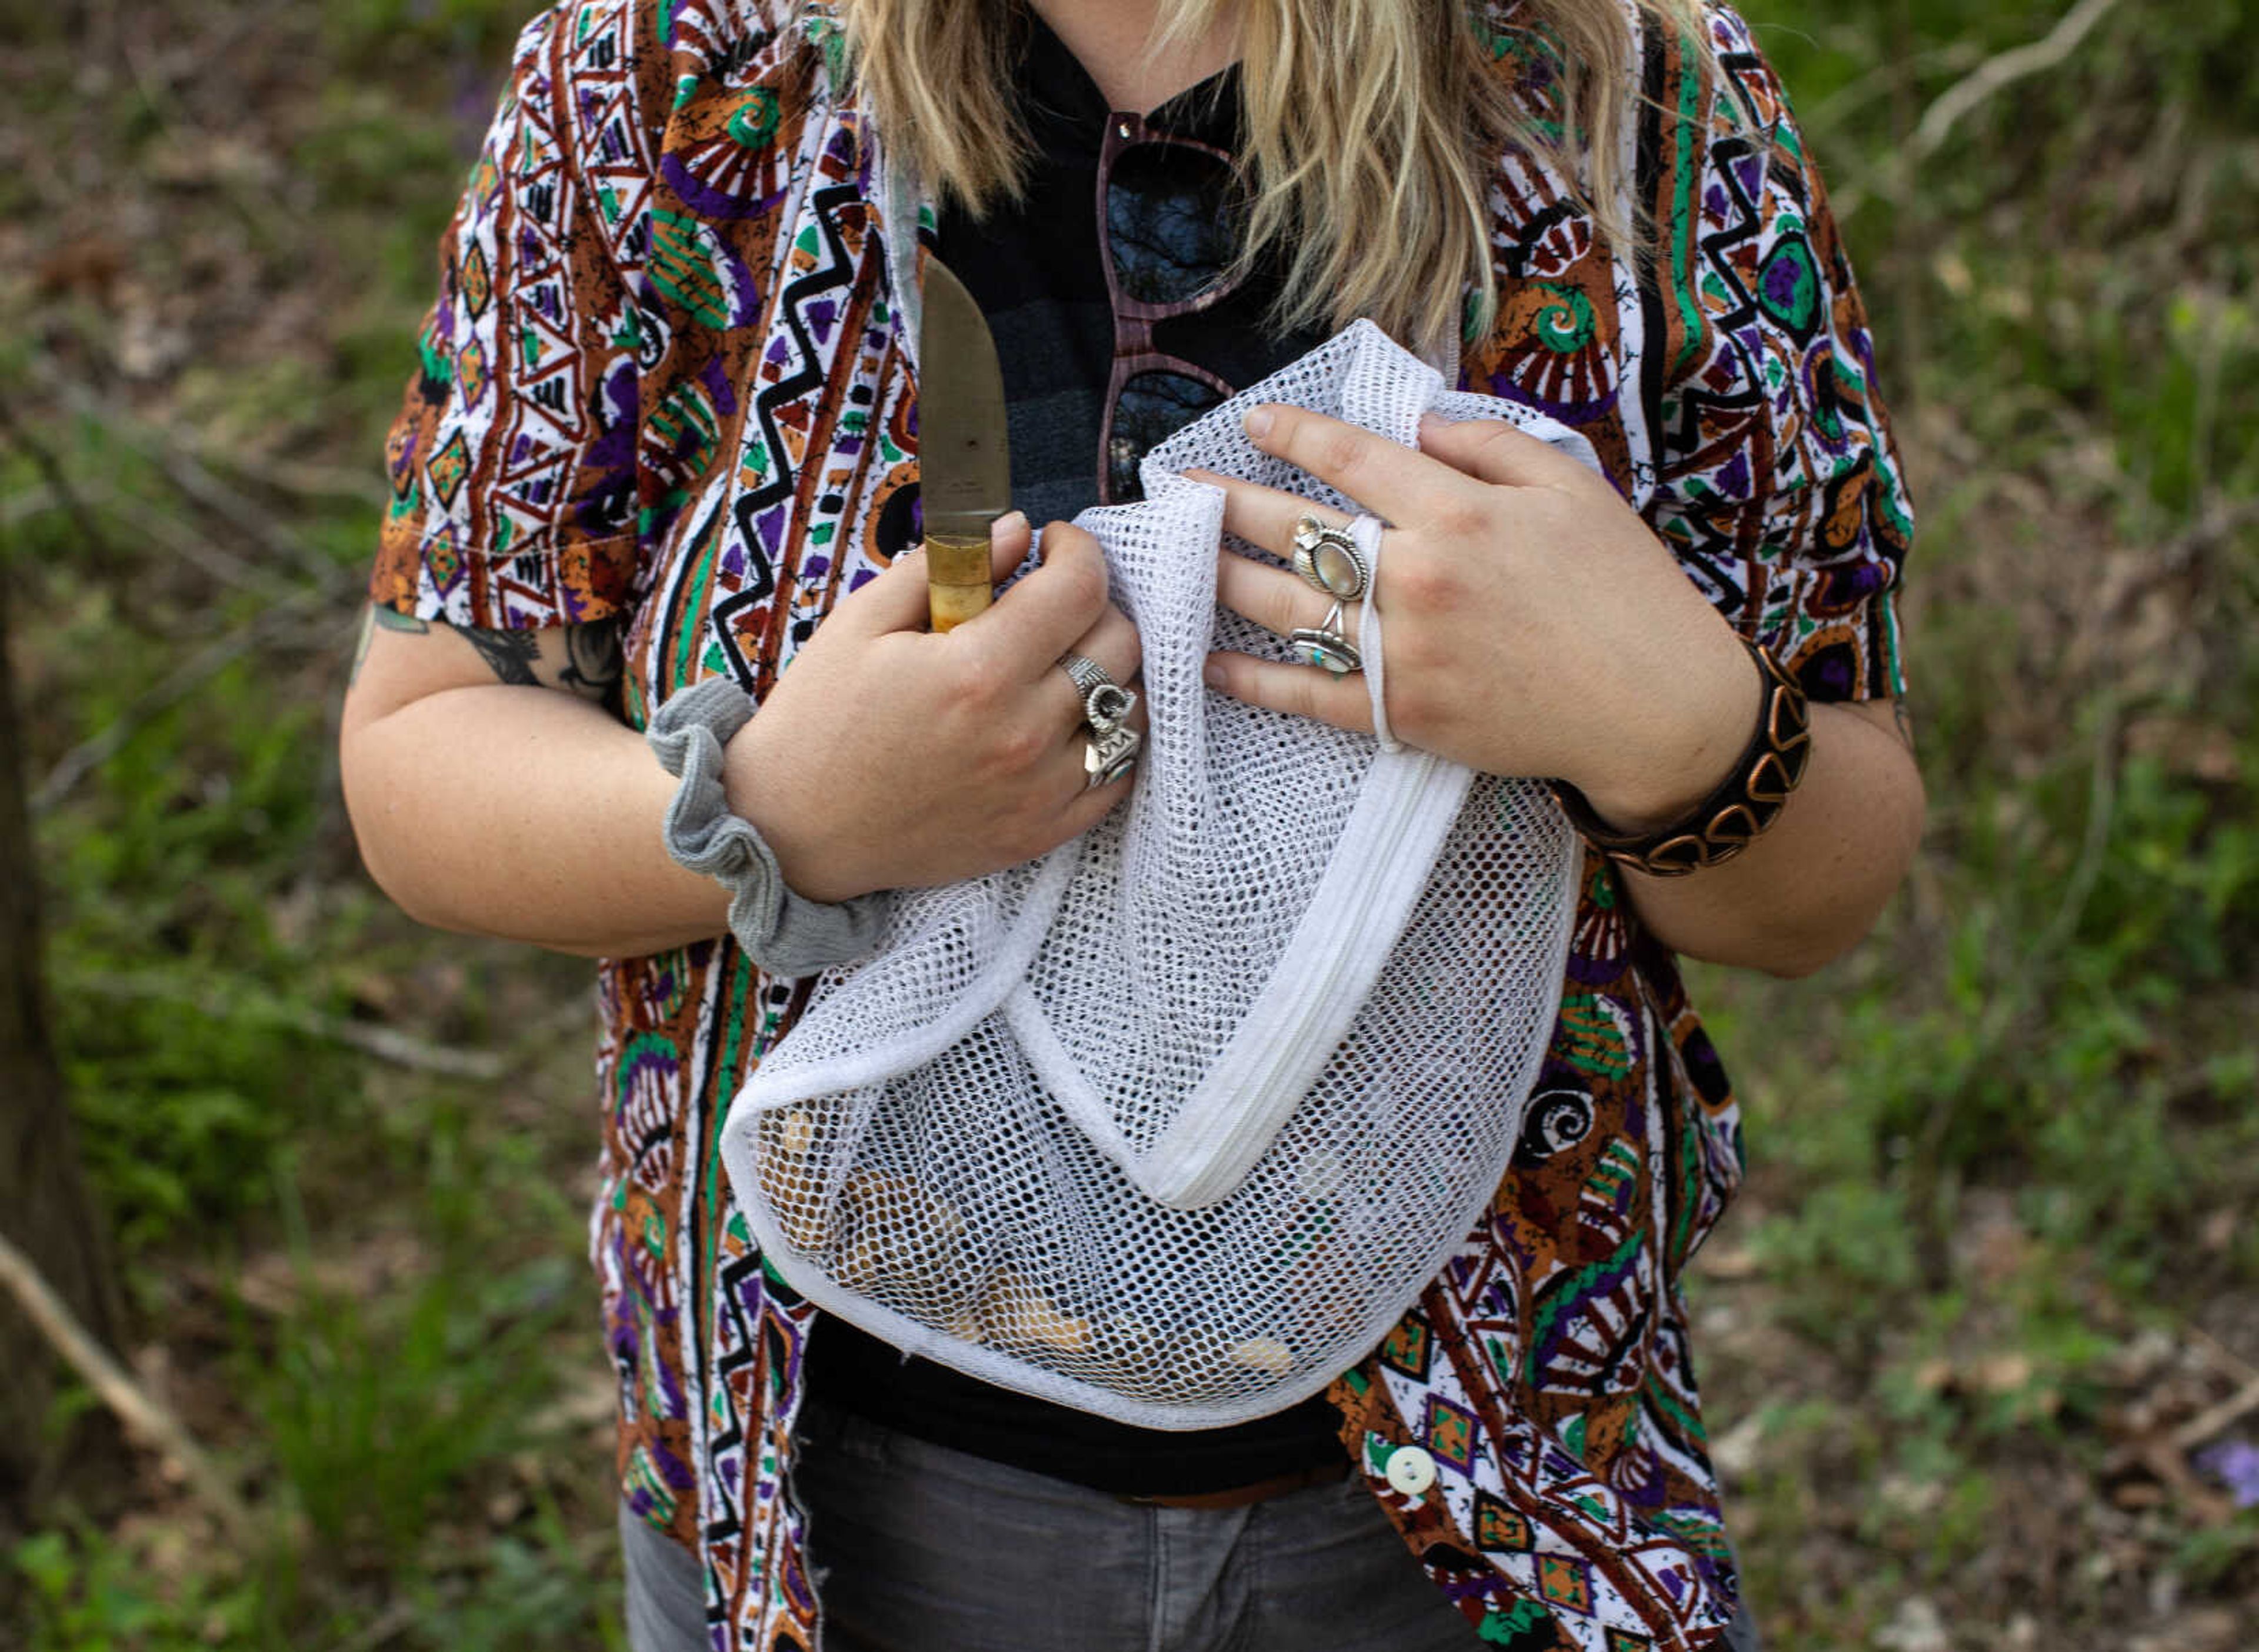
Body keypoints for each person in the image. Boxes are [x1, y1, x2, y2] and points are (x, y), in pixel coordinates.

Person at [339, 0, 1923, 1647]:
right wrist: (777, 812)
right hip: (825, 1523)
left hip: (1485, 1527)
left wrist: (1666, 724)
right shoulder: (670, 77)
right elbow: (419, 758)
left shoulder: (1632, 95)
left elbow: (1819, 895)